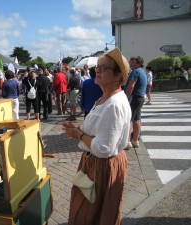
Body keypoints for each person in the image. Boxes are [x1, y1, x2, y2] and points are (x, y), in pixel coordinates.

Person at [62, 48, 131, 225]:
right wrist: (78, 131)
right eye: (97, 67)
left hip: (102, 166)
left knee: (91, 215)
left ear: (118, 76)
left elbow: (104, 149)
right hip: (94, 164)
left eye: (103, 68)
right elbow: (101, 133)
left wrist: (79, 134)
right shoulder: (104, 99)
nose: (97, 71)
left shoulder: (114, 104)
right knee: (86, 213)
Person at [125, 56, 147, 149]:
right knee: (137, 120)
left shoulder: (135, 71)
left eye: (132, 61)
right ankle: (135, 140)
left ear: (138, 63)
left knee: (128, 120)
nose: (129, 62)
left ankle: (128, 142)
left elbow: (131, 85)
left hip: (134, 97)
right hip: (140, 97)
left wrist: (125, 97)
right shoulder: (142, 72)